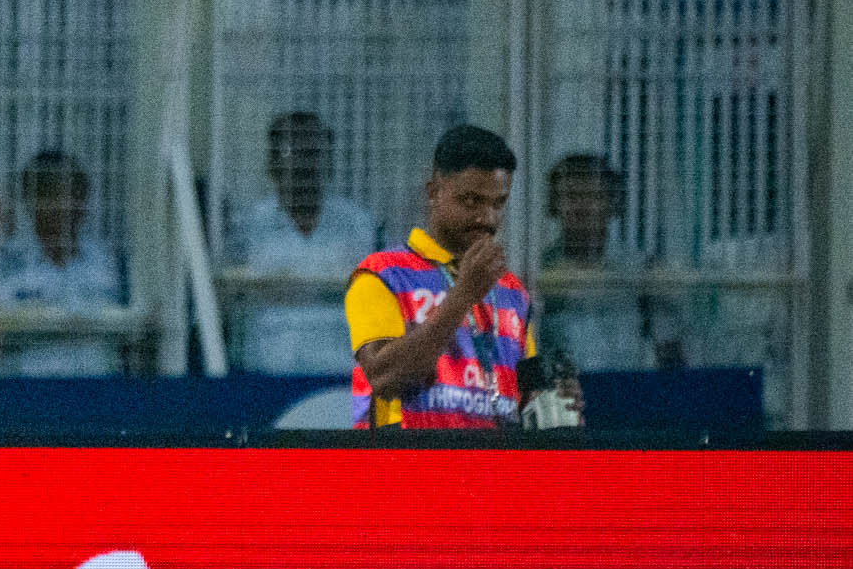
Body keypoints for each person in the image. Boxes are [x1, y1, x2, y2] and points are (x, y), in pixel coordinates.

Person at [348, 124, 580, 429]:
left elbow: (524, 403)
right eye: (471, 201)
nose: (488, 218)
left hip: (489, 471)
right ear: (433, 192)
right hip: (407, 469)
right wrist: (463, 295)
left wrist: (555, 403)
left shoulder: (512, 292)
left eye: (498, 203)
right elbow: (385, 379)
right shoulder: (382, 274)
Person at [230, 111, 380, 374]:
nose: (302, 165)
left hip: (341, 371)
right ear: (272, 166)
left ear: (328, 163)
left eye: (311, 154)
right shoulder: (250, 226)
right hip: (266, 372)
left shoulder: (358, 225)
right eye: (292, 154)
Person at [538, 152, 683, 372]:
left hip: (626, 395)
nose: (582, 207)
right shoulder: (540, 271)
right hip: (558, 400)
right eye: (571, 196)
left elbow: (670, 350)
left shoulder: (641, 269)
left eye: (593, 196)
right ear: (553, 205)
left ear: (613, 204)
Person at [0, 149, 123, 376]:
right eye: (54, 195)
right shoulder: (6, 264)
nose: (67, 205)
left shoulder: (105, 263)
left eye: (75, 195)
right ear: (32, 201)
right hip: (26, 394)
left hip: (98, 395)